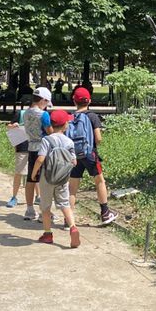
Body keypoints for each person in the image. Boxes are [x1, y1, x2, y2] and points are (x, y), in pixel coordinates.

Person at [30, 110, 81, 247]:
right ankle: (73, 227)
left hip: (46, 178)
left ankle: (47, 234)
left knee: (45, 207)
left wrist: (34, 173)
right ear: (65, 125)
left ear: (51, 125)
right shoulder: (69, 141)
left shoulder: (47, 140)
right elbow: (74, 162)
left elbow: (41, 158)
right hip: (62, 178)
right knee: (65, 204)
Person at [67, 87, 117, 224]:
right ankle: (105, 213)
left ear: (74, 101)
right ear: (89, 100)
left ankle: (68, 219)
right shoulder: (92, 116)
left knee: (72, 187)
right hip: (89, 154)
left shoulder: (70, 117)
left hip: (74, 155)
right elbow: (98, 138)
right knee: (99, 181)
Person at [21, 87, 54, 220]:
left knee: (31, 179)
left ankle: (29, 210)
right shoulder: (43, 115)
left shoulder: (26, 112)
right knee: (44, 181)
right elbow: (50, 131)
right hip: (43, 148)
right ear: (43, 100)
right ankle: (44, 212)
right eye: (46, 103)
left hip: (31, 147)